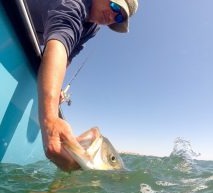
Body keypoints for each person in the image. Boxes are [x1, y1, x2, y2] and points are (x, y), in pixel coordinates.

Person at [26, 0, 138, 171]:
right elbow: (59, 43)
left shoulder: (92, 27)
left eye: (120, 17)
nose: (113, 16)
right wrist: (49, 118)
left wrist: (56, 90)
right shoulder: (75, 3)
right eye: (115, 7)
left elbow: (68, 54)